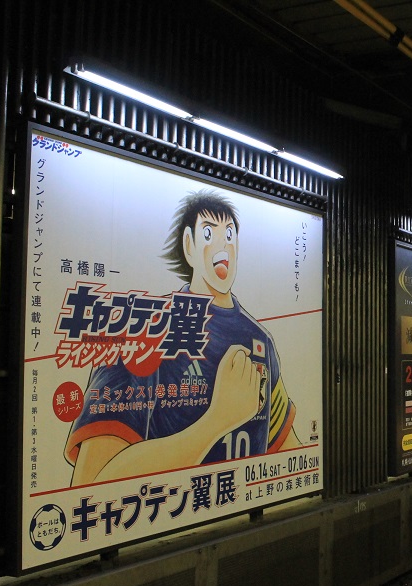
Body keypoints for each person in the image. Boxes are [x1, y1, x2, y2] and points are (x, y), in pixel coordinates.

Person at [65, 190, 300, 486]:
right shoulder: (143, 330)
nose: (223, 244)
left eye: (230, 234)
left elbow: (289, 451)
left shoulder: (260, 341)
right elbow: (91, 486)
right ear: (189, 245)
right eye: (208, 232)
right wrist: (217, 420)